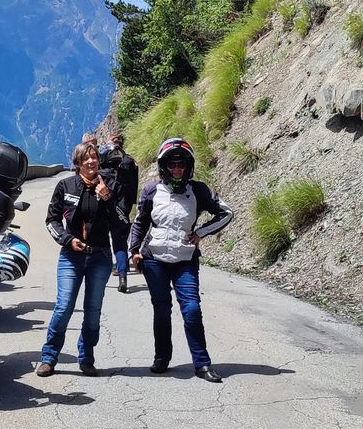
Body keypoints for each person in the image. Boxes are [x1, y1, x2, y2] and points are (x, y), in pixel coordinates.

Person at [127, 138, 233, 382]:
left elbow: (226, 213)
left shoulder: (198, 190)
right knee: (162, 310)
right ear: (164, 166)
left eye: (181, 164)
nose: (177, 169)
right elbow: (141, 221)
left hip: (185, 260)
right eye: (172, 164)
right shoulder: (151, 190)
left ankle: (202, 364)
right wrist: (134, 250)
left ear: (188, 166)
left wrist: (201, 233)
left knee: (192, 308)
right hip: (155, 260)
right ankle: (162, 357)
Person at [38, 141, 128, 377]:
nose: (91, 161)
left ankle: (87, 357)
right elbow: (52, 220)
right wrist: (68, 240)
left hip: (100, 255)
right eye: (86, 159)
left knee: (93, 310)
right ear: (77, 164)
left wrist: (107, 199)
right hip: (71, 255)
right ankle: (49, 357)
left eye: (94, 157)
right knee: (64, 306)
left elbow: (122, 225)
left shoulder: (111, 186)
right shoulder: (65, 185)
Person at [98, 133, 139, 293]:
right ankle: (123, 275)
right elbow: (135, 183)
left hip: (103, 212)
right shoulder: (130, 162)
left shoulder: (101, 174)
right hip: (123, 209)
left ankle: (98, 276)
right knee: (120, 244)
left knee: (100, 244)